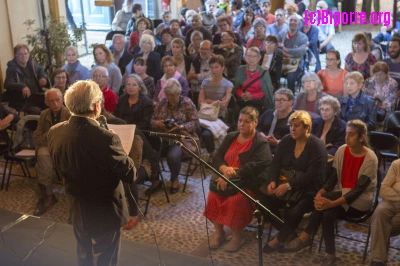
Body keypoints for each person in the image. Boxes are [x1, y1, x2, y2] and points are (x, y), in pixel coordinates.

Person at [47, 80, 136, 266]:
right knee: (105, 260)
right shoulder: (107, 138)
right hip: (104, 211)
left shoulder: (54, 132)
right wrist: (120, 148)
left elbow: (59, 165)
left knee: (84, 257)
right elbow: (130, 175)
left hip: (77, 205)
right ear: (96, 106)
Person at [204, 106, 272, 252]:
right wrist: (224, 170)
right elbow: (217, 158)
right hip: (226, 178)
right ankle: (219, 232)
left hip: (247, 182)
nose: (241, 124)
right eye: (240, 120)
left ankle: (237, 236)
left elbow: (254, 168)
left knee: (236, 200)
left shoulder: (260, 143)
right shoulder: (231, 136)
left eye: (247, 121)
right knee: (213, 196)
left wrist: (230, 175)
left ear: (255, 123)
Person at [261, 110, 327, 253]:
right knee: (262, 203)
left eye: (297, 126)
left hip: (309, 189)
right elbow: (276, 164)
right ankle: (290, 232)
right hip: (285, 183)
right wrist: (272, 180)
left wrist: (289, 186)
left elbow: (312, 175)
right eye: (291, 125)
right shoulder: (286, 140)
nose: (292, 129)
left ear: (306, 127)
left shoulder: (316, 145)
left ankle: (278, 238)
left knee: (294, 211)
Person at [315, 120, 378, 265]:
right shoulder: (342, 150)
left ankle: (307, 236)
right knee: (326, 211)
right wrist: (322, 190)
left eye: (351, 135)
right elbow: (334, 176)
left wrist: (331, 202)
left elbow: (357, 191)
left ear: (362, 137)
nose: (346, 138)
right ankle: (330, 253)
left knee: (324, 204)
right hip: (342, 194)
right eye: (346, 134)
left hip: (360, 202)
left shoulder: (371, 158)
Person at [150, 78, 199, 194]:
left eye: (172, 95)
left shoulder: (186, 103)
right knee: (150, 153)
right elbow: (152, 121)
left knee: (173, 156)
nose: (170, 98)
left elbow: (196, 123)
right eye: (167, 95)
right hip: (163, 137)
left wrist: (182, 127)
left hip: (179, 138)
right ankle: (156, 179)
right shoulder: (162, 103)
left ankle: (174, 178)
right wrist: (158, 123)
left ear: (179, 93)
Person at [33, 88, 71, 216]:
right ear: (46, 102)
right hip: (48, 146)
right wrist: (51, 134)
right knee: (43, 155)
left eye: (57, 100)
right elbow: (37, 138)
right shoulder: (44, 114)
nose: (55, 103)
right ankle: (49, 196)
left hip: (65, 148)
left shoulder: (70, 114)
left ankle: (74, 200)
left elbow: (71, 138)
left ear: (62, 100)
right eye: (51, 101)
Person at [198, 55, 233, 159]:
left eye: (216, 67)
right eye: (212, 67)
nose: (214, 70)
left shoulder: (228, 84)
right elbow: (200, 102)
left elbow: (224, 104)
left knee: (207, 134)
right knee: (194, 130)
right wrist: (215, 102)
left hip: (218, 116)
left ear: (222, 67)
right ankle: (195, 155)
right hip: (204, 115)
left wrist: (208, 101)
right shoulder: (205, 82)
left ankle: (213, 155)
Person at [369, 159, 400, 266]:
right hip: (391, 201)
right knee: (380, 212)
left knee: (383, 227)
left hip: (395, 199)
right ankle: (378, 261)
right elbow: (384, 190)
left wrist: (396, 186)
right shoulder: (397, 164)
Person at [4, 44, 48, 114]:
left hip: (35, 95)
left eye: (25, 53)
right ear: (16, 55)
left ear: (28, 54)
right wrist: (22, 86)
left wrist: (42, 77)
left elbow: (40, 70)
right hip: (22, 100)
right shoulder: (11, 68)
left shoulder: (32, 63)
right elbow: (7, 84)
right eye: (20, 54)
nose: (24, 56)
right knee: (36, 111)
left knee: (51, 102)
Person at [233, 47, 274, 115]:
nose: (251, 59)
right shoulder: (240, 69)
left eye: (254, 56)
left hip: (257, 102)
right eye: (249, 56)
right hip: (241, 100)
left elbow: (265, 92)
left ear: (259, 58)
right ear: (245, 57)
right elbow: (236, 88)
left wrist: (252, 96)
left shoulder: (264, 72)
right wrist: (242, 95)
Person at [257, 88, 295, 153]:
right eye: (276, 100)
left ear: (291, 102)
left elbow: (296, 138)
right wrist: (263, 136)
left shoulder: (295, 118)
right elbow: (256, 127)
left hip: (283, 150)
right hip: (262, 145)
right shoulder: (268, 113)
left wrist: (278, 143)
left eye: (282, 100)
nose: (278, 103)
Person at [277, 15, 308, 93]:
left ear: (298, 24)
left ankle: (291, 97)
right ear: (287, 22)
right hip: (281, 62)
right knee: (272, 74)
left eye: (295, 21)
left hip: (296, 64)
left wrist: (287, 49)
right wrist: (284, 53)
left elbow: (302, 51)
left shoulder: (303, 37)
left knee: (290, 77)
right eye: (291, 20)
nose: (293, 22)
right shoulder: (281, 35)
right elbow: (276, 48)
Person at [187, 40, 214, 106]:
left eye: (206, 49)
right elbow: (191, 80)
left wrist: (193, 75)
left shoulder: (214, 62)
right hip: (195, 94)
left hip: (209, 96)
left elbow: (210, 77)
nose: (203, 51)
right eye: (202, 48)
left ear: (211, 50)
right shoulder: (194, 61)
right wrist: (201, 78)